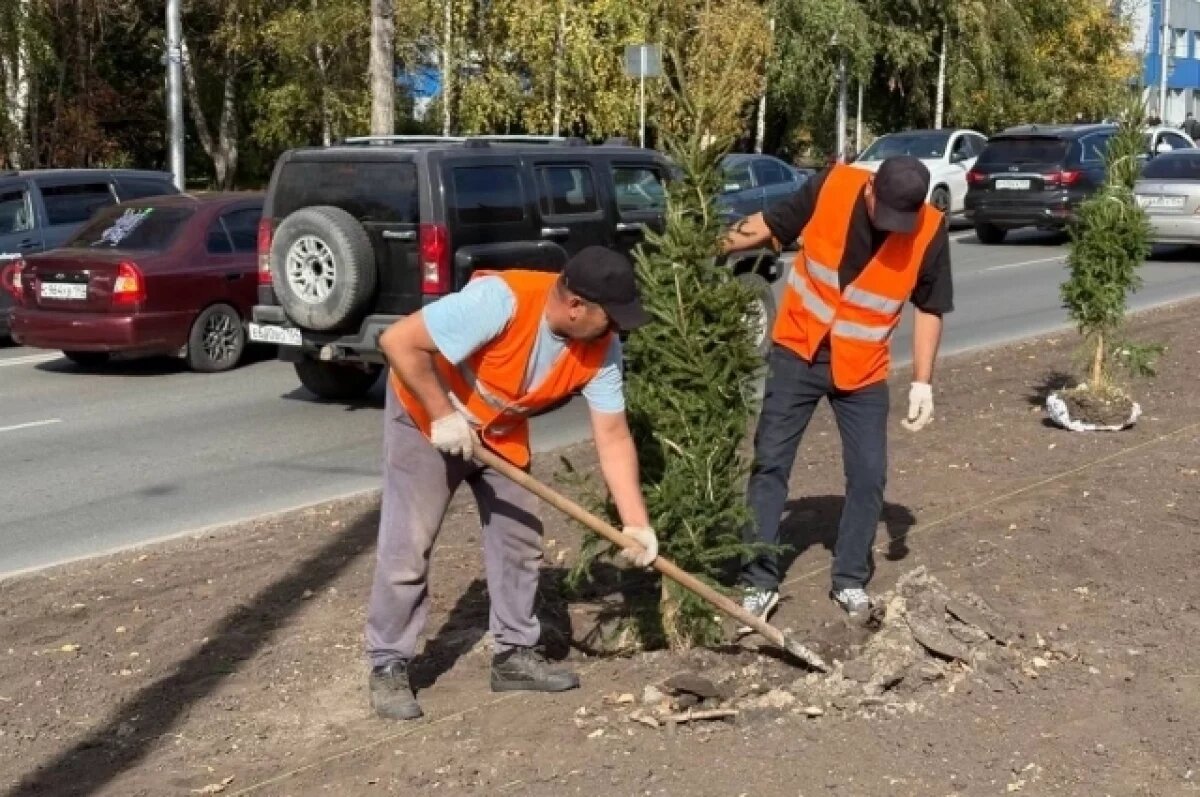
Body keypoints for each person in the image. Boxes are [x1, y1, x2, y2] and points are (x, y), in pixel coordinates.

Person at [366, 247, 659, 720]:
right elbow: (398, 341)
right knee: (408, 546)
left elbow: (612, 435)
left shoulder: (603, 347)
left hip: (497, 432)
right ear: (575, 306)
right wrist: (443, 417)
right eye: (611, 318)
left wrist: (636, 524)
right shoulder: (501, 301)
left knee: (520, 538)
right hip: (427, 416)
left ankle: (514, 654)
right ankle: (388, 663)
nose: (617, 329)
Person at [722, 155, 953, 622]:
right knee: (770, 462)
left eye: (901, 220)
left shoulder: (929, 229)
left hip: (862, 368)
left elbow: (930, 306)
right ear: (871, 191)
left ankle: (849, 579)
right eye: (884, 214)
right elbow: (769, 225)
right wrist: (707, 246)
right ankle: (758, 581)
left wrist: (923, 383)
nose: (892, 228)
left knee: (869, 475)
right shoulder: (832, 185)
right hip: (798, 349)